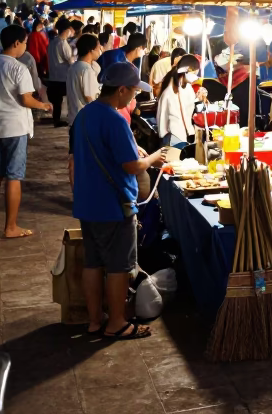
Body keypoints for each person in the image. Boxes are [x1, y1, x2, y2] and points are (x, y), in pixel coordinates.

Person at [72, 61, 168, 339]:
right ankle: (116, 323)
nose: (135, 97)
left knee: (92, 262)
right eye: (134, 91)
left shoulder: (86, 114)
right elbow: (131, 166)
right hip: (113, 205)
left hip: (87, 201)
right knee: (118, 266)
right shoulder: (114, 119)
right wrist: (152, 157)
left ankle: (94, 320)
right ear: (122, 89)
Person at [0, 25, 54, 238]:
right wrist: (44, 105)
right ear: (16, 43)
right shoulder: (18, 68)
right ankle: (11, 226)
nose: (25, 46)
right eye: (25, 43)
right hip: (15, 129)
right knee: (14, 177)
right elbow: (25, 99)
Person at [156, 55, 205, 147]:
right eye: (194, 73)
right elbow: (161, 121)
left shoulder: (188, 88)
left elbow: (190, 109)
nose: (195, 77)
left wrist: (199, 99)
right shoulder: (168, 93)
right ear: (185, 71)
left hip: (186, 136)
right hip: (173, 139)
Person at [66, 33, 103, 127]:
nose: (100, 50)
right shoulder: (87, 70)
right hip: (85, 119)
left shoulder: (74, 67)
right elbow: (89, 97)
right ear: (91, 50)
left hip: (74, 117)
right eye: (98, 48)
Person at [46, 17, 76, 127]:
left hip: (53, 76)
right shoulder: (62, 43)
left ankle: (56, 120)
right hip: (62, 77)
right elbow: (70, 60)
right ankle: (66, 118)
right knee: (69, 97)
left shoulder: (52, 42)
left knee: (57, 102)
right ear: (67, 30)